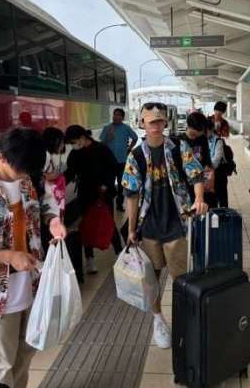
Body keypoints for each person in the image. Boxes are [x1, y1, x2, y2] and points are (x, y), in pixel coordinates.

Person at [0, 127, 66, 388]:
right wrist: (7, 256)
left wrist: (53, 222)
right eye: (20, 170)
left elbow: (45, 206)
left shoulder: (28, 180)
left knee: (26, 352)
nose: (24, 176)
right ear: (3, 157)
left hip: (31, 285)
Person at [122, 102, 208, 349]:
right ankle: (158, 319)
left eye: (160, 121)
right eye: (152, 122)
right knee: (153, 276)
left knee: (180, 276)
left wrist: (199, 198)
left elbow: (196, 175)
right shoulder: (136, 156)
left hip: (175, 222)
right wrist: (131, 230)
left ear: (165, 123)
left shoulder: (179, 147)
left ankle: (184, 320)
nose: (157, 126)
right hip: (149, 225)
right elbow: (131, 195)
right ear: (142, 124)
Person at [64, 125, 122, 274]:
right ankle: (89, 259)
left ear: (83, 137)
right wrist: (58, 183)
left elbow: (113, 168)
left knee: (108, 223)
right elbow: (70, 172)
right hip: (85, 194)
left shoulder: (102, 149)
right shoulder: (75, 154)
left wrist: (107, 184)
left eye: (74, 141)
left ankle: (120, 253)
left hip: (103, 194)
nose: (73, 145)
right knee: (86, 226)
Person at [99, 108, 138, 212]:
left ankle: (119, 204)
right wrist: (109, 137)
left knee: (121, 185)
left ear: (122, 117)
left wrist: (129, 148)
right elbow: (101, 144)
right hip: (109, 162)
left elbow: (135, 138)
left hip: (122, 161)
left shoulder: (126, 128)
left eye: (118, 115)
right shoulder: (107, 128)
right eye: (114, 114)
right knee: (109, 185)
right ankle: (108, 205)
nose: (116, 116)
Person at [41, 127, 66, 254]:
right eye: (61, 142)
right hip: (49, 200)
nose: (62, 145)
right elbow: (41, 176)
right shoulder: (45, 155)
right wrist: (55, 174)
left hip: (52, 199)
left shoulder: (46, 154)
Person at [179, 112, 214, 204]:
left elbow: (207, 160)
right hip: (185, 184)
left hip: (200, 181)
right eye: (202, 129)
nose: (203, 132)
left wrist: (210, 175)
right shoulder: (180, 140)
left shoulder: (202, 139)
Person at [206, 119, 229, 208]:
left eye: (206, 131)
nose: (204, 133)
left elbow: (216, 160)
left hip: (219, 174)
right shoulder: (202, 140)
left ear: (211, 129)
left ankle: (224, 214)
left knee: (222, 198)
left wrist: (205, 166)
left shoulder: (218, 141)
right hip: (207, 174)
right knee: (211, 199)